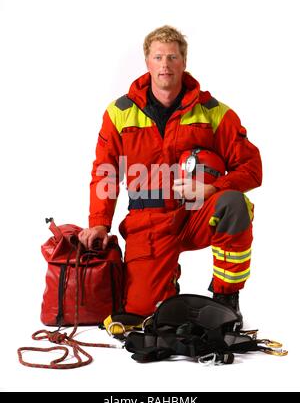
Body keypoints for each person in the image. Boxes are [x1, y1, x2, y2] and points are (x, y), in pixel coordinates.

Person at [78, 25, 262, 327]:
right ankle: (164, 283)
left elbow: (253, 169)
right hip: (147, 225)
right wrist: (99, 224)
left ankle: (227, 299)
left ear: (184, 62)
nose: (166, 65)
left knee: (234, 203)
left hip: (194, 215)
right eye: (159, 57)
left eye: (173, 57)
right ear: (147, 62)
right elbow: (105, 173)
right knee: (143, 315)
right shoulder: (119, 113)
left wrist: (213, 189)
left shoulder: (213, 113)